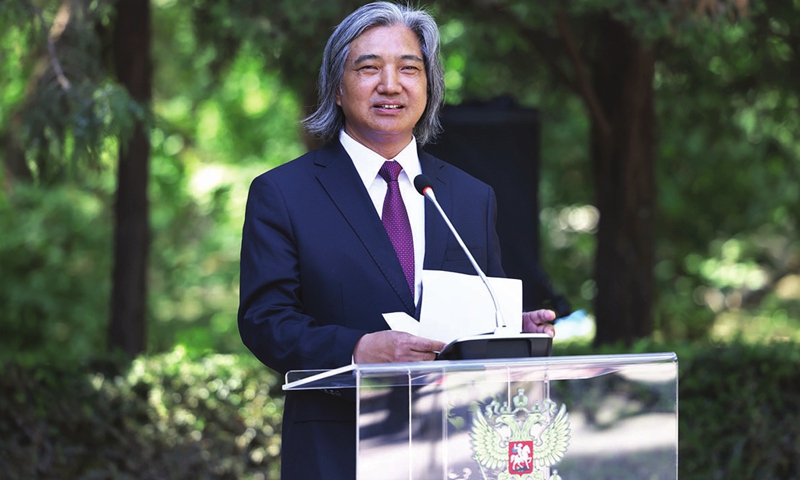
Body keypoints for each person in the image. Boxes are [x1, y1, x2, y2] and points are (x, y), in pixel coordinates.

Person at [237, 2, 556, 478]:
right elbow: (265, 321)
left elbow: (478, 320)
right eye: (369, 68)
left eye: (409, 68)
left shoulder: (470, 197)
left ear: (428, 87)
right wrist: (358, 350)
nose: (391, 84)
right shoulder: (284, 194)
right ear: (337, 89)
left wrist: (513, 334)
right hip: (338, 451)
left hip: (456, 452)